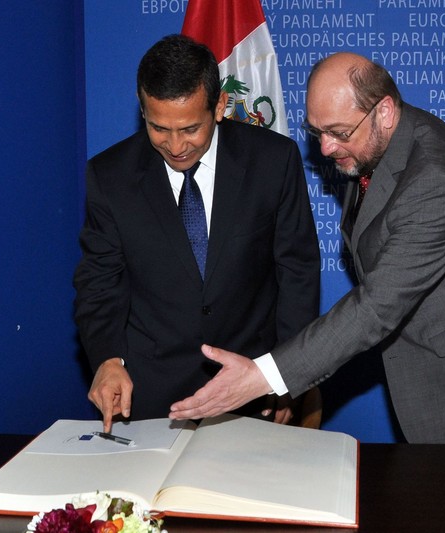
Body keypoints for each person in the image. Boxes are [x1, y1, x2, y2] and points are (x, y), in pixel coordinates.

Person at [169, 52, 445, 444]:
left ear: (385, 112)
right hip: (431, 337)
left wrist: (263, 377)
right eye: (316, 132)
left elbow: (376, 307)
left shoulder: (436, 182)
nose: (325, 148)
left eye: (339, 132)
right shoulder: (379, 141)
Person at [73, 34, 320, 432]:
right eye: (158, 128)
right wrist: (107, 360)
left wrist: (285, 376)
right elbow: (99, 281)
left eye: (190, 128)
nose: (175, 146)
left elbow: (297, 272)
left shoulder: (273, 161)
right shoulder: (110, 176)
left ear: (220, 106)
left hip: (252, 386)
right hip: (151, 395)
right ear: (142, 109)